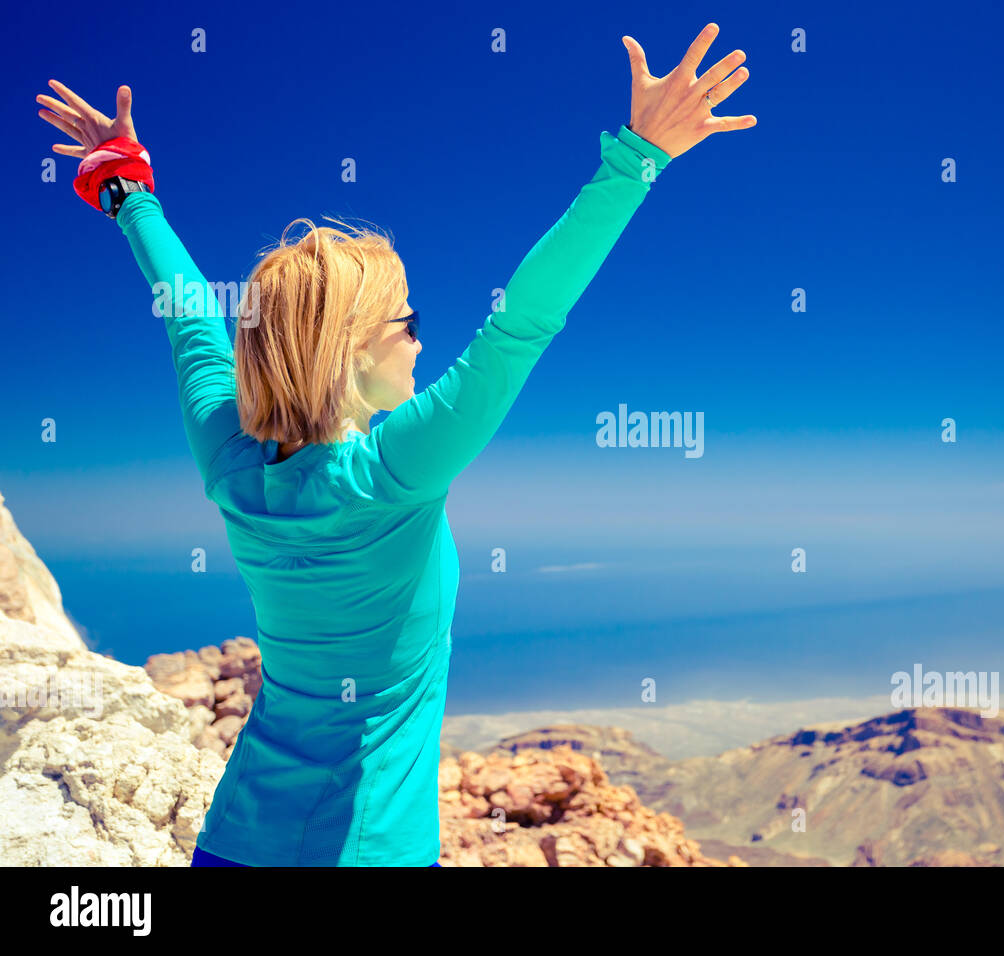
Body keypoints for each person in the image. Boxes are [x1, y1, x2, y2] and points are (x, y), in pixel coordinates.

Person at [35, 23, 754, 867]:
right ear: (349, 351)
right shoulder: (392, 474)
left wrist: (130, 190)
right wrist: (639, 156)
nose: (420, 340)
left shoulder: (230, 459)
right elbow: (522, 322)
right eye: (405, 322)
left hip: (234, 846)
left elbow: (191, 318)